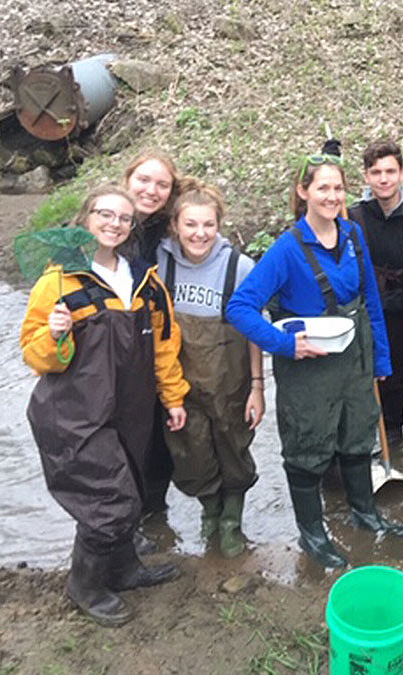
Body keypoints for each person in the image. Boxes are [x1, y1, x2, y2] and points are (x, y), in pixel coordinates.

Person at [227, 155, 403, 568]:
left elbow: (370, 302)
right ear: (303, 192)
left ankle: (365, 514)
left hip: (355, 362)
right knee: (308, 450)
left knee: (358, 437)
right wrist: (286, 345)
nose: (332, 196)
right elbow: (240, 308)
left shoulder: (355, 235)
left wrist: (379, 357)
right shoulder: (287, 249)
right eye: (322, 188)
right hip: (308, 371)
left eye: (338, 188)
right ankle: (313, 535)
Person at [22, 185, 188, 626]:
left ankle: (124, 568)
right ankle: (85, 585)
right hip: (73, 412)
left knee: (132, 491)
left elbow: (165, 347)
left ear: (132, 227)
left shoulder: (146, 282)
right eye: (105, 214)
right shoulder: (58, 280)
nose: (114, 223)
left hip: (128, 411)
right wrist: (55, 334)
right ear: (86, 218)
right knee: (107, 501)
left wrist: (172, 397)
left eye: (123, 218)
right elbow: (34, 355)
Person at [156, 178, 263, 558]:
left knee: (234, 451)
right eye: (190, 225)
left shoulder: (239, 266)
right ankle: (210, 516)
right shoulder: (160, 261)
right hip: (180, 388)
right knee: (192, 455)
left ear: (219, 225)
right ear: (175, 225)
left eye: (208, 225)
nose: (200, 234)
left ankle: (232, 523)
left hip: (230, 384)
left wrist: (257, 388)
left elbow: (254, 333)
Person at [348, 140, 403, 450]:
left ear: (402, 174)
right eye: (375, 172)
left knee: (396, 377)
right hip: (363, 313)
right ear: (366, 176)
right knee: (359, 380)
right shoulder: (351, 217)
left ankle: (394, 434)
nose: (383, 179)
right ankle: (358, 441)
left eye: (390, 171)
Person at [123, 149, 185, 518]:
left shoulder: (164, 230)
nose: (151, 190)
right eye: (143, 180)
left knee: (160, 450)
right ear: (127, 180)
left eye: (162, 184)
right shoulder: (107, 225)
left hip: (155, 348)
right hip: (115, 355)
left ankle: (154, 519)